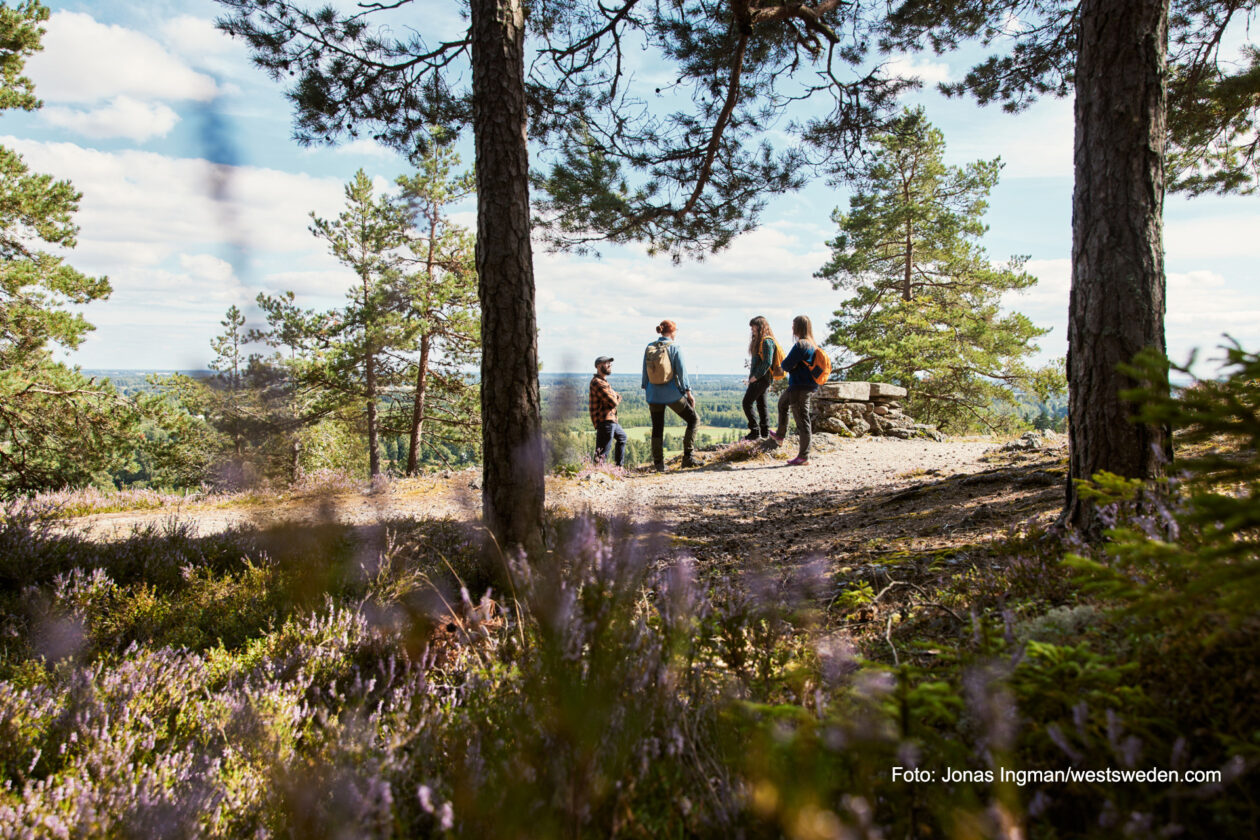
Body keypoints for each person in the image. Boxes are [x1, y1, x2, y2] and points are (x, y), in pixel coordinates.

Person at [641, 319, 699, 471]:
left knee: (657, 428)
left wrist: (647, 389)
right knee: (693, 419)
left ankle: (659, 464)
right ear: (672, 332)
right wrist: (688, 393)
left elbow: (645, 372)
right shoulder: (675, 348)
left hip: (653, 394)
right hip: (672, 394)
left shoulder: (650, 347)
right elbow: (682, 372)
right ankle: (688, 457)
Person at [769, 315, 819, 465]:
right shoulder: (812, 345)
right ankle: (780, 435)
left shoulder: (801, 345)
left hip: (800, 386)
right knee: (782, 403)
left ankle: (804, 456)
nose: (792, 329)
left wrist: (791, 365)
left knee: (802, 420)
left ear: (798, 327)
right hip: (803, 385)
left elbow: (785, 365)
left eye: (793, 326)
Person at [743, 315, 785, 440]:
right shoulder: (760, 341)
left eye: (753, 326)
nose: (752, 329)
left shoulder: (767, 341)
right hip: (761, 378)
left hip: (762, 378)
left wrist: (755, 377)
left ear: (760, 326)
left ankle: (755, 431)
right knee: (761, 405)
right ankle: (764, 433)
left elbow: (767, 362)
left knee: (747, 403)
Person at [589, 355, 627, 467]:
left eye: (610, 363)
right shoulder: (597, 382)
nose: (609, 365)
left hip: (611, 419)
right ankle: (596, 474)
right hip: (604, 420)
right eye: (606, 363)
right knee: (602, 452)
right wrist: (616, 398)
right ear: (598, 366)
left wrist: (615, 396)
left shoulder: (603, 382)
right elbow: (613, 401)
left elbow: (616, 396)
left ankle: (618, 468)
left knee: (622, 437)